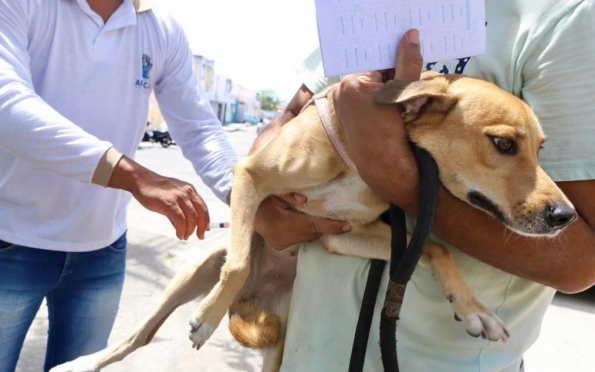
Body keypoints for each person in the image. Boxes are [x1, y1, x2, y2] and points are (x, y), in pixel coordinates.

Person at [0, 1, 351, 371]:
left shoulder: (159, 29)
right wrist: (136, 177)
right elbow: (7, 104)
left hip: (101, 251)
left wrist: (251, 205)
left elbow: (199, 128)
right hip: (12, 241)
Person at [252, 0, 595, 371]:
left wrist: (395, 175)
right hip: (307, 345)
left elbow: (581, 264)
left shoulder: (561, 17)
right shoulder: (367, 8)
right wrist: (261, 202)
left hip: (438, 361)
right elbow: (291, 113)